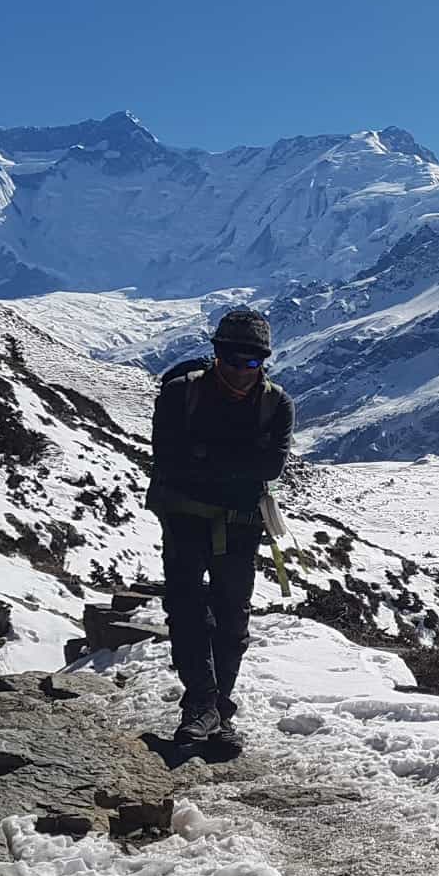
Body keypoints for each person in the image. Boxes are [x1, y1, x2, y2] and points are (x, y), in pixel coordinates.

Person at [146, 308, 295, 751]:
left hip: (237, 525)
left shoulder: (277, 403)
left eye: (251, 363)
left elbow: (271, 466)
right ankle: (202, 706)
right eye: (231, 360)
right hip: (185, 519)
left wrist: (204, 457)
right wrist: (237, 465)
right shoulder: (179, 394)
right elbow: (170, 458)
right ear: (215, 354)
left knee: (232, 618)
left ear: (263, 362)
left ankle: (217, 708)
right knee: (189, 610)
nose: (240, 370)